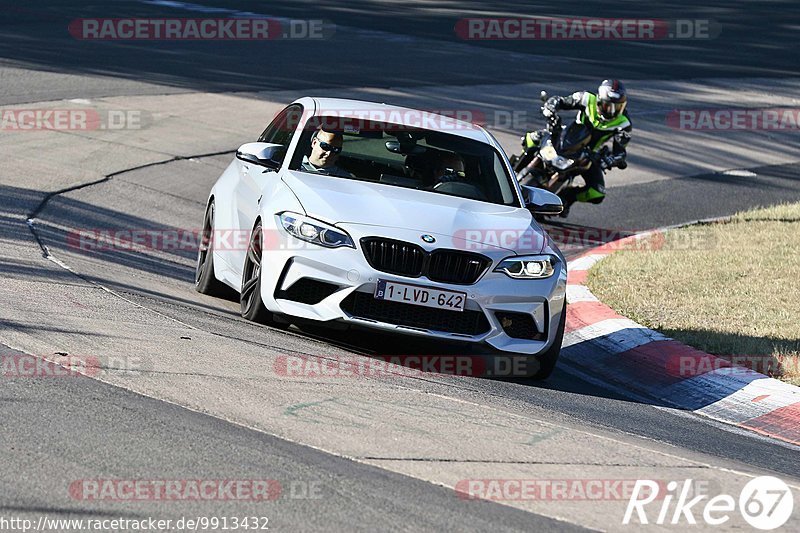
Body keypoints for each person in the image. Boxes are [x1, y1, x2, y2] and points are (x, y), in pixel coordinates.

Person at [542, 79, 632, 216]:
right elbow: (560, 100)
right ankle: (512, 166)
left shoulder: (624, 123)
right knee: (532, 138)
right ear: (600, 100)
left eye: (617, 107)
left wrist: (610, 160)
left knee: (597, 193)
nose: (612, 111)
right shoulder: (586, 98)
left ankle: (566, 197)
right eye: (608, 106)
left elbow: (620, 152)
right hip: (567, 139)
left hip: (589, 155)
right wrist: (551, 107)